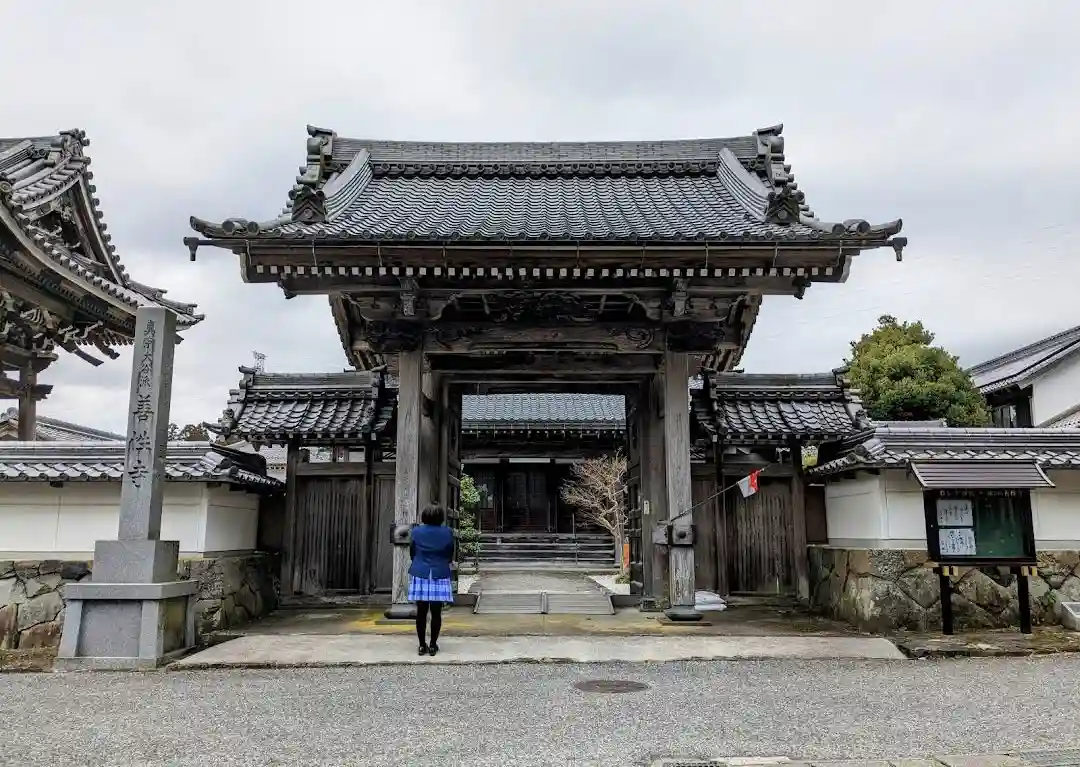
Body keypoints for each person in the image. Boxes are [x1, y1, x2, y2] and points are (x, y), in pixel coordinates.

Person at [408, 503, 455, 656]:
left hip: (421, 571)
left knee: (421, 612)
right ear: (440, 517)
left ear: (424, 516)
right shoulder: (447, 532)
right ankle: (433, 645)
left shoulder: (416, 531)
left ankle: (422, 645)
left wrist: (418, 561)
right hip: (439, 572)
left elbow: (412, 551)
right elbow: (450, 552)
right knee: (436, 612)